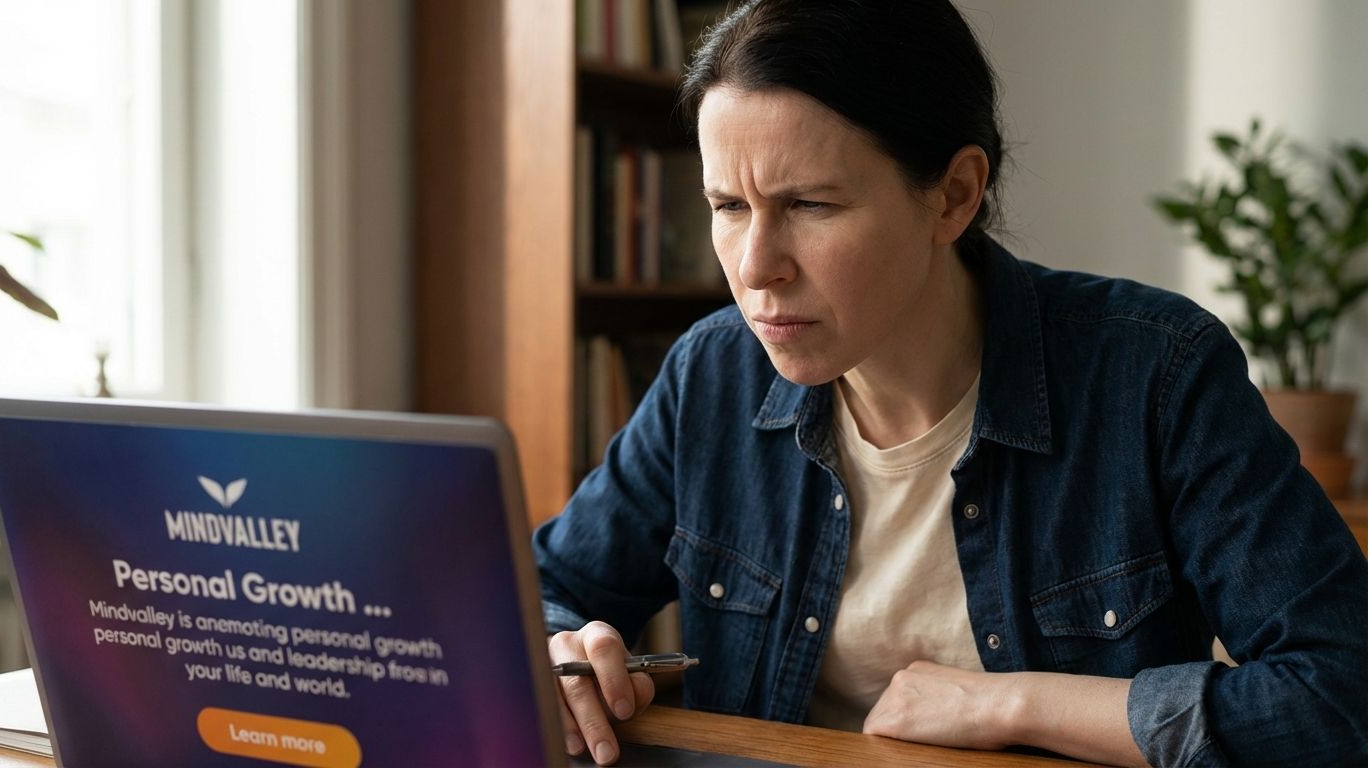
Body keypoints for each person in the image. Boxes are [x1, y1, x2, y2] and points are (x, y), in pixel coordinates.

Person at [533, 1, 1368, 765]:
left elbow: (1340, 695)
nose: (756, 268)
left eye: (811, 205)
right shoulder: (711, 374)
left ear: (954, 195)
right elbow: (545, 589)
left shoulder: (1156, 374)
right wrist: (558, 645)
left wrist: (1011, 704)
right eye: (728, 206)